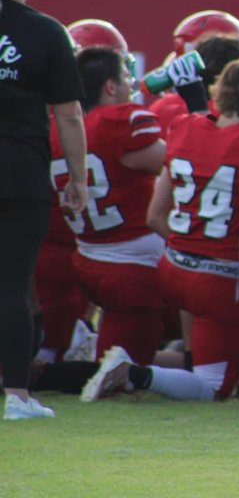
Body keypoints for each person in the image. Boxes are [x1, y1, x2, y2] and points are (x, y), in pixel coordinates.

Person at [82, 59, 239, 404]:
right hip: (221, 278)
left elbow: (154, 216)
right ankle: (134, 373)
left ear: (218, 95)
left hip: (173, 267)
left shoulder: (185, 127)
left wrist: (190, 249)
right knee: (215, 386)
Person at [1, 0, 88, 421]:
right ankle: (17, 396)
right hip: (19, 173)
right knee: (11, 286)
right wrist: (77, 180)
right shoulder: (46, 31)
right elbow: (69, 115)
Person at [58, 49, 166, 372]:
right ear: (110, 87)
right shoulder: (119, 122)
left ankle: (45, 371)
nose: (131, 84)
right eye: (126, 78)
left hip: (87, 258)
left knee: (112, 362)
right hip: (138, 261)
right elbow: (186, 170)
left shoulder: (56, 129)